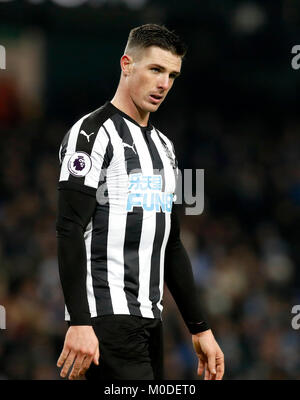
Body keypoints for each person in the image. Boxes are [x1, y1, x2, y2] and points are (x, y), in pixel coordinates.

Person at [55, 23, 224, 380]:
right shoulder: (91, 134)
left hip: (150, 321)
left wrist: (200, 328)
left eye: (172, 75)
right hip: (106, 321)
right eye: (156, 70)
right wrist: (79, 322)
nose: (164, 84)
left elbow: (171, 242)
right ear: (127, 64)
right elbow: (69, 227)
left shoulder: (165, 146)